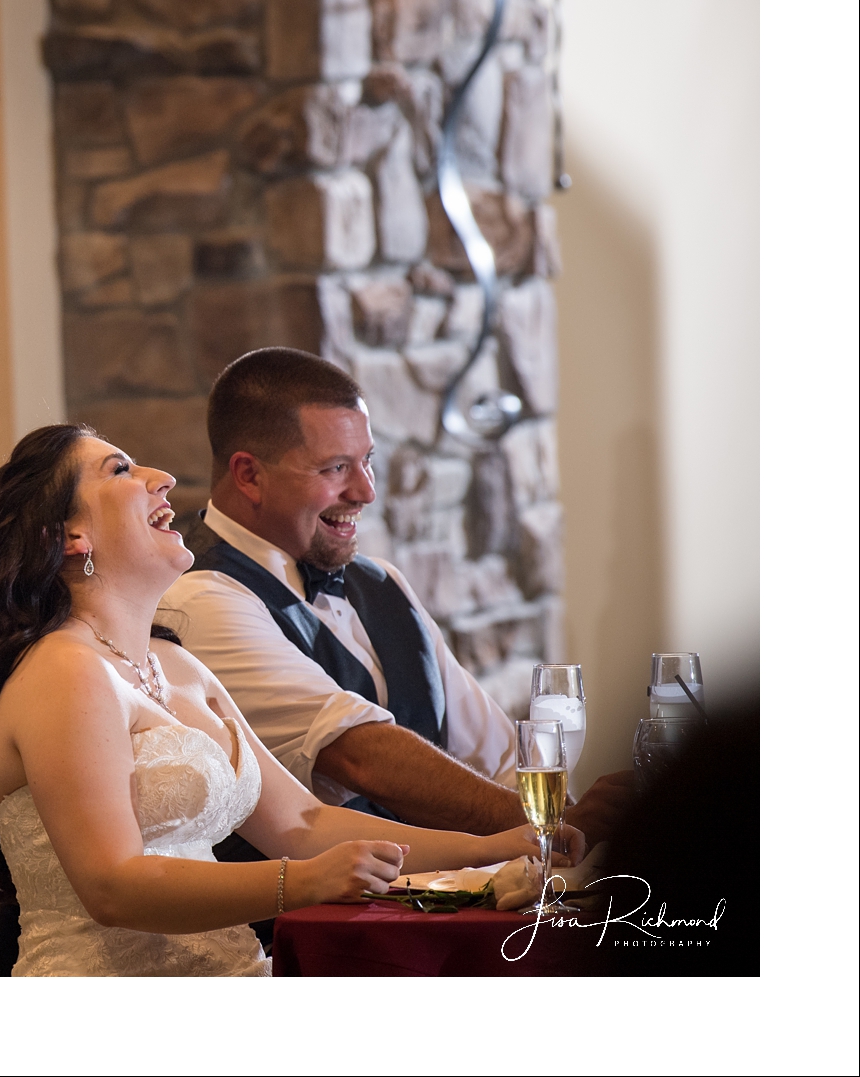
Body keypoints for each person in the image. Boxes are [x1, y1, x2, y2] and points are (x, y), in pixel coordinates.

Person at [0, 424, 581, 976]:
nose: (162, 477)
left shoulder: (175, 664)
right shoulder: (65, 670)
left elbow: (304, 824)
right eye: (119, 469)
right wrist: (304, 883)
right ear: (68, 537)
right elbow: (112, 885)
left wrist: (496, 845)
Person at [159, 347, 633, 846]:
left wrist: (567, 826)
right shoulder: (197, 598)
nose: (366, 492)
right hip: (301, 918)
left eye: (367, 461)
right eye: (335, 469)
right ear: (249, 475)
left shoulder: (381, 583)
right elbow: (361, 755)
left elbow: (498, 757)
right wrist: (551, 826)